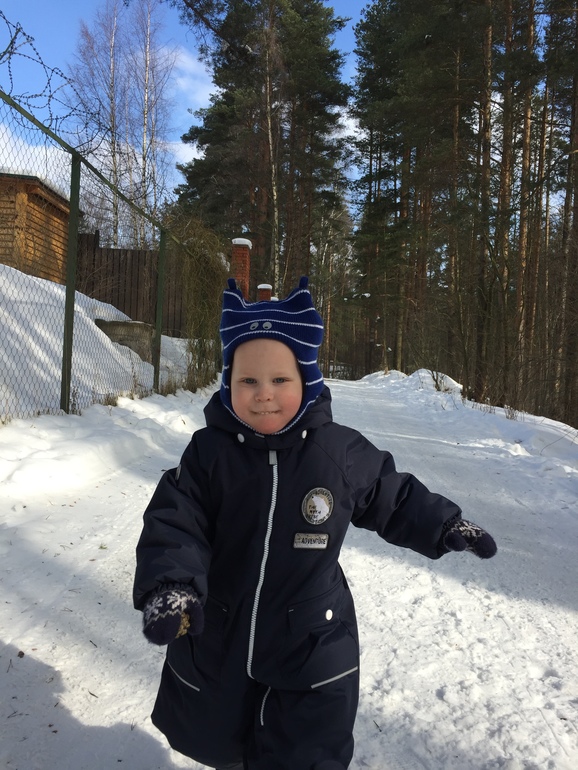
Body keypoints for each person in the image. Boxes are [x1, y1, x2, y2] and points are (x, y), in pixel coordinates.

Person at [133, 277, 497, 770]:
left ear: (306, 381)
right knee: (222, 736)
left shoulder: (336, 451)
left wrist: (444, 524)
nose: (263, 395)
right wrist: (172, 585)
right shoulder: (208, 454)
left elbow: (391, 493)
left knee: (304, 748)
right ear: (228, 383)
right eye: (248, 381)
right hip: (222, 633)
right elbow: (176, 520)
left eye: (280, 381)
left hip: (310, 637)